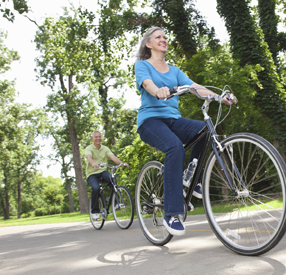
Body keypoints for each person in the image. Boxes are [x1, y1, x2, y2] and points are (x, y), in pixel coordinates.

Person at [134, 26, 233, 236]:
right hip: (150, 121)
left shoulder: (174, 70)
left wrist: (217, 97)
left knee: (206, 129)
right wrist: (158, 91)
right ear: (148, 44)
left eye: (165, 36)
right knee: (174, 147)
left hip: (173, 120)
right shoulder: (142, 66)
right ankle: (172, 213)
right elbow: (148, 84)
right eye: (158, 37)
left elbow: (194, 86)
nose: (163, 39)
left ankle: (192, 179)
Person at [85, 131, 129, 219]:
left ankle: (116, 202)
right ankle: (95, 211)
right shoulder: (88, 148)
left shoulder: (105, 148)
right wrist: (93, 163)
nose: (98, 138)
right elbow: (89, 157)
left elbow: (113, 157)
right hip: (92, 173)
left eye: (99, 137)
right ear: (92, 138)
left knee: (112, 179)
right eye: (96, 137)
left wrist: (122, 163)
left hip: (102, 171)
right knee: (96, 188)